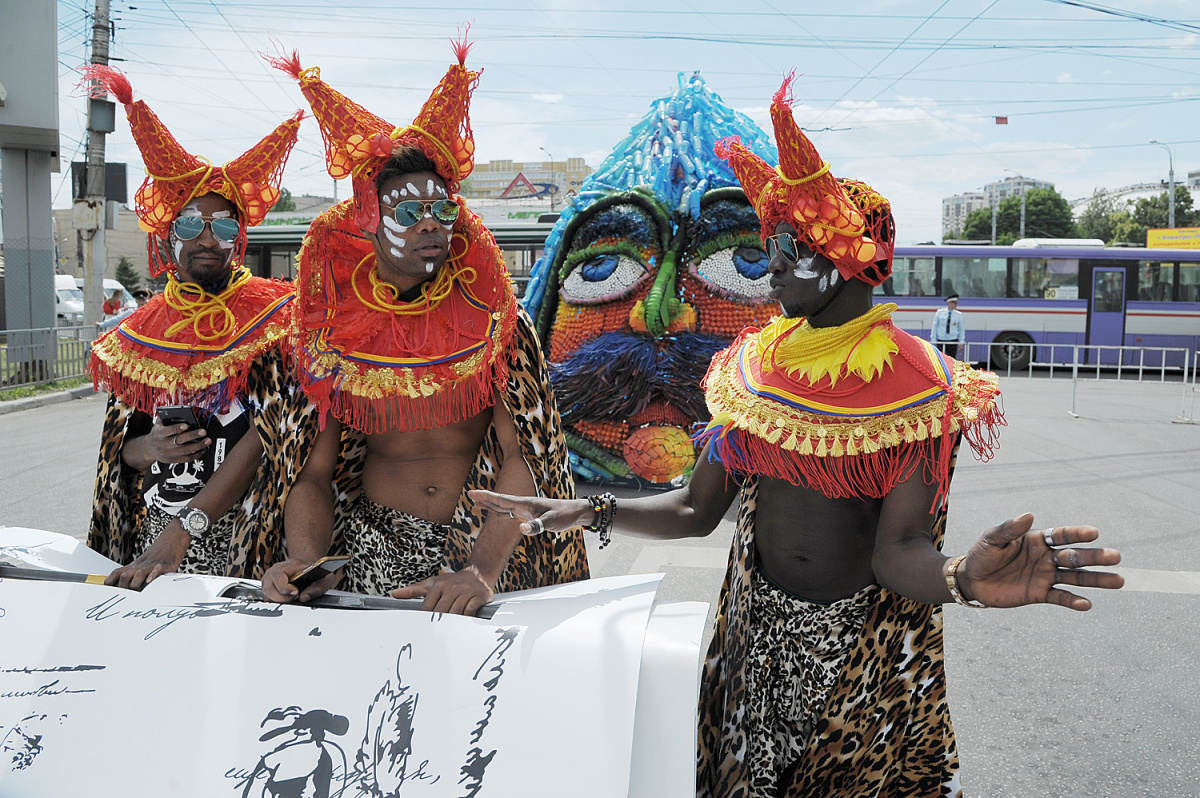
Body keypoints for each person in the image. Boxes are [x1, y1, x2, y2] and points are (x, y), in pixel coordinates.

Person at [470, 76, 1123, 798]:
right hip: (750, 643)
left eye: (789, 246)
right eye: (768, 246)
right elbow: (696, 509)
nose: (772, 265)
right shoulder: (749, 369)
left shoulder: (918, 391)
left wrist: (960, 577)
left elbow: (898, 551)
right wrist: (589, 510)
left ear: (850, 257)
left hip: (857, 662)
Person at [258, 37, 588, 616]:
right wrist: (304, 560)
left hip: (486, 550)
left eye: (443, 210)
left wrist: (480, 569)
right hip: (374, 549)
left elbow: (526, 452)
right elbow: (311, 470)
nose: (430, 224)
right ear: (369, 218)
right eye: (409, 213)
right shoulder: (333, 330)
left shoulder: (494, 320)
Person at [82, 65, 307, 588]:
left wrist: (187, 528)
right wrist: (151, 450)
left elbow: (277, 433)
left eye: (223, 224)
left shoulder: (280, 320)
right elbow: (125, 451)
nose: (207, 237)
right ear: (168, 235)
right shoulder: (137, 335)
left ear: (239, 238)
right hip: (151, 548)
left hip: (248, 546)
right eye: (190, 224)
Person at [930, 292, 965, 359]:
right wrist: (933, 340)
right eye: (954, 303)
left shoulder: (959, 315)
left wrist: (961, 342)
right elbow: (934, 327)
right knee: (940, 359)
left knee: (952, 360)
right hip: (941, 339)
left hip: (953, 340)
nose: (956, 305)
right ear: (949, 303)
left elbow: (961, 329)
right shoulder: (940, 313)